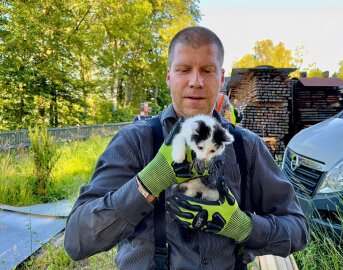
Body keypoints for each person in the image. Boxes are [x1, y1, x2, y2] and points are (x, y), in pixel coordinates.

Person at [64, 26, 309, 269]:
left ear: (221, 78)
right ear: (169, 75)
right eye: (183, 70)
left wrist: (244, 227)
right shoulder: (134, 141)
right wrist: (148, 183)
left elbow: (298, 231)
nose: (196, 82)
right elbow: (77, 242)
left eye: (207, 70)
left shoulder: (247, 146)